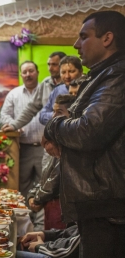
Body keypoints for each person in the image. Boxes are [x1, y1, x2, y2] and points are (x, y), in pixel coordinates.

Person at [44, 10, 125, 258]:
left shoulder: (118, 76)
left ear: (107, 38)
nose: (76, 45)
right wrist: (64, 127)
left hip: (110, 210)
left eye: (84, 36)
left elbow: (89, 131)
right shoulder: (104, 76)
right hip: (101, 207)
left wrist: (55, 127)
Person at [27, 94, 76, 230]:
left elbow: (55, 178)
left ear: (71, 115)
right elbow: (46, 175)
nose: (53, 116)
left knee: (53, 245)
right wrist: (33, 195)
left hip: (61, 206)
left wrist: (37, 199)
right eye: (53, 111)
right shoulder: (56, 136)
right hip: (50, 204)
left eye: (59, 112)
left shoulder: (71, 141)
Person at [0, 61, 45, 195]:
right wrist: (14, 125)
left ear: (37, 72)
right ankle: (26, 216)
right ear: (21, 74)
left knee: (44, 185)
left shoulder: (47, 92)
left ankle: (41, 217)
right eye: (24, 72)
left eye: (31, 71)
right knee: (22, 185)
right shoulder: (14, 94)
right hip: (22, 149)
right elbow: (4, 115)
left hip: (45, 148)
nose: (28, 74)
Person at [1, 51, 66, 133]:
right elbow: (31, 108)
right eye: (49, 64)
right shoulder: (46, 83)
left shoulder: (71, 84)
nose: (50, 68)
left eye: (54, 65)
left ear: (63, 65)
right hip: (51, 138)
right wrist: (14, 125)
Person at [38, 56, 83, 125]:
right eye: (63, 72)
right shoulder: (57, 90)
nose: (67, 76)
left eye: (71, 71)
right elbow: (42, 116)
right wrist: (58, 114)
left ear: (80, 71)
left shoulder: (88, 88)